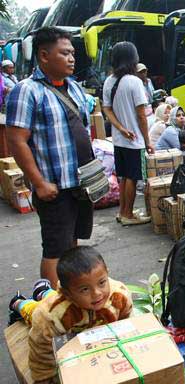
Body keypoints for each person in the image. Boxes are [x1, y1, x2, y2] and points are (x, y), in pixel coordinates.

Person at [6, 27, 95, 289]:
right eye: (64, 53)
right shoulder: (27, 90)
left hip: (81, 183)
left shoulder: (74, 87)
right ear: (44, 56)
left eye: (73, 53)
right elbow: (16, 140)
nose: (72, 58)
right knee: (55, 249)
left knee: (73, 243)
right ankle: (52, 307)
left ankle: (72, 298)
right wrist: (39, 183)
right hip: (55, 187)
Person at [8, 246, 132, 384]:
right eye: (85, 289)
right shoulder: (52, 314)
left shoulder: (119, 295)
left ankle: (42, 290)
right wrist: (43, 375)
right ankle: (18, 303)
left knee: (48, 296)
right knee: (33, 311)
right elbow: (40, 343)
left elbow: (126, 320)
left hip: (82, 320)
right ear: (68, 293)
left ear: (107, 273)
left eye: (102, 283)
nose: (97, 293)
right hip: (48, 310)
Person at [102, 41, 154, 226]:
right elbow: (142, 116)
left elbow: (106, 109)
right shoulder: (134, 82)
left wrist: (120, 128)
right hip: (135, 140)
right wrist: (148, 141)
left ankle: (122, 212)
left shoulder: (109, 80)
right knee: (132, 176)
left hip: (119, 139)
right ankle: (128, 215)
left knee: (123, 176)